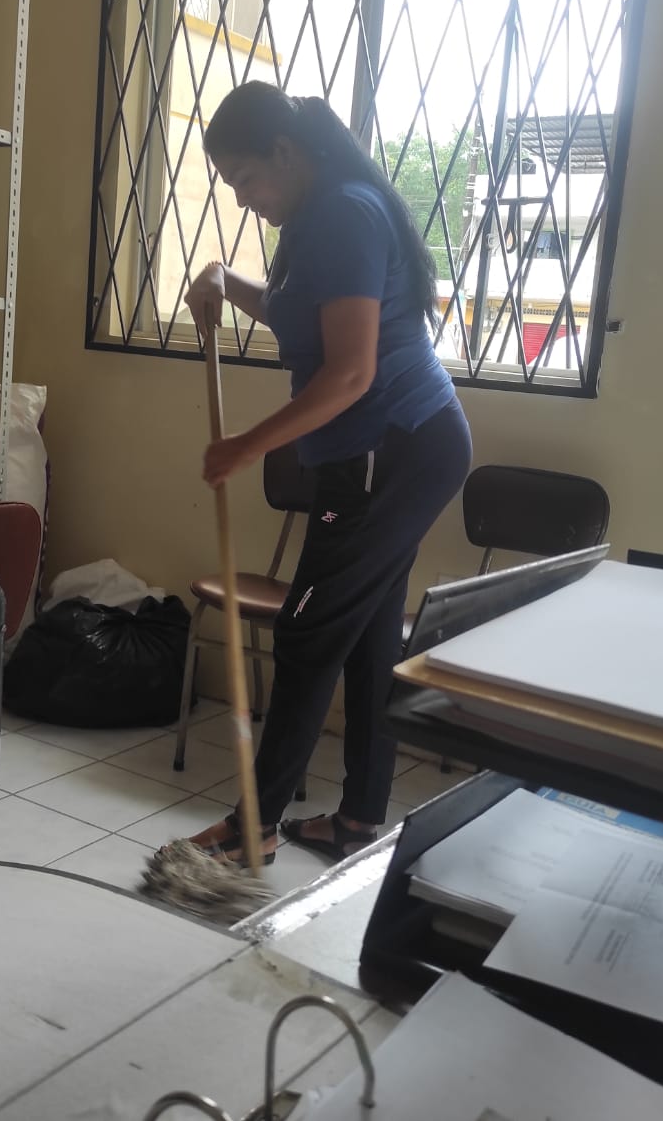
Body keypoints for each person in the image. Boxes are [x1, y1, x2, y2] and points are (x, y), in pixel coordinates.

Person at [184, 82, 472, 865]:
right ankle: (357, 818)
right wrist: (223, 279)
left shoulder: (344, 214)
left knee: (308, 633)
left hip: (393, 448)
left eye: (246, 178)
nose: (242, 199)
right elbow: (300, 316)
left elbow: (349, 373)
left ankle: (254, 829)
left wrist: (245, 446)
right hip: (400, 448)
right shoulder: (319, 215)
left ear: (285, 152)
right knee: (368, 634)